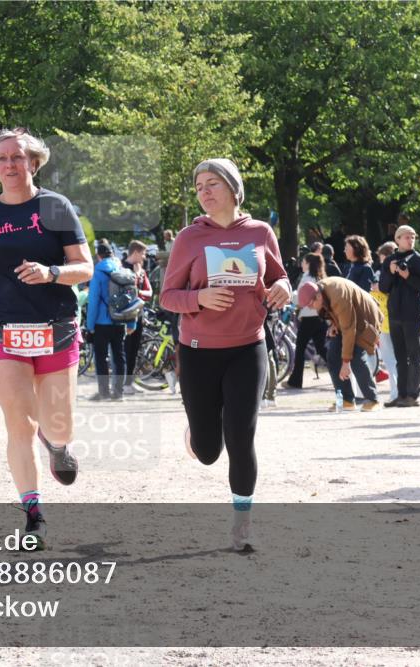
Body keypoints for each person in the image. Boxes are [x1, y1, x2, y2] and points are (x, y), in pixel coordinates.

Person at [0, 128, 93, 548]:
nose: (10, 164)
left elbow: (83, 267)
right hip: (0, 327)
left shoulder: (55, 207)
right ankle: (33, 513)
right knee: (19, 422)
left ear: (34, 162)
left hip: (55, 326)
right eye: (2, 158)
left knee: (57, 423)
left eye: (18, 157)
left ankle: (57, 444)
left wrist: (51, 273)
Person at [160, 158, 291, 552]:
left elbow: (278, 276)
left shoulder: (260, 232)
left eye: (212, 183)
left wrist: (282, 286)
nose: (204, 191)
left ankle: (242, 522)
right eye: (199, 185)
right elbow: (168, 296)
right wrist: (198, 298)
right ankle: (199, 434)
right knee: (208, 451)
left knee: (241, 434)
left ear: (234, 189)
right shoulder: (188, 238)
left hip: (248, 348)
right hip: (199, 352)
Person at [297, 277, 383, 411]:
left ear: (318, 297)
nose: (310, 308)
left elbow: (349, 329)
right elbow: (334, 313)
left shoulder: (338, 295)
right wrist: (333, 323)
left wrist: (345, 362)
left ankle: (373, 399)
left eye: (310, 304)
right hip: (348, 319)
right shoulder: (319, 290)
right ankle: (345, 401)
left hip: (365, 318)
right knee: (332, 355)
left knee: (355, 356)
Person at [379, 225, 420, 407]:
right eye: (407, 237)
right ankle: (401, 394)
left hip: (412, 315)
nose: (411, 240)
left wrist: (408, 276)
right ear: (397, 239)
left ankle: (414, 395)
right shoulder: (390, 261)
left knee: (414, 356)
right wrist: (391, 272)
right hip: (394, 315)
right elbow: (383, 288)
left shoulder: (418, 260)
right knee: (399, 357)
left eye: (413, 237)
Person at [87, 243, 128, 401]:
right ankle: (119, 392)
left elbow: (94, 300)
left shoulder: (97, 272)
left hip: (101, 322)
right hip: (120, 320)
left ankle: (103, 392)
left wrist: (90, 325)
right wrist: (131, 323)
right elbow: (131, 297)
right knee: (119, 356)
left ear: (99, 256)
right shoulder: (122, 270)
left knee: (101, 357)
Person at [282, 253, 328, 390]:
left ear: (308, 263)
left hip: (308, 317)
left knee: (300, 349)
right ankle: (339, 370)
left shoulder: (306, 277)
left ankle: (295, 381)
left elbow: (300, 298)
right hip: (320, 316)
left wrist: (291, 297)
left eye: (303, 262)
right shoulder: (320, 277)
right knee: (321, 348)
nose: (302, 264)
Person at [122, 240, 153, 394]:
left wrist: (139, 292)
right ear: (135, 252)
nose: (145, 257)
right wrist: (136, 276)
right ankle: (120, 383)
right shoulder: (121, 268)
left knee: (134, 350)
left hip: (138, 315)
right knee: (124, 349)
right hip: (123, 317)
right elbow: (125, 292)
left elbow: (149, 293)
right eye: (143, 253)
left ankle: (129, 383)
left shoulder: (142, 271)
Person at [372, 242, 399, 403]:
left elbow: (383, 289)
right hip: (390, 318)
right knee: (395, 358)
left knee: (390, 359)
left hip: (386, 318)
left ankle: (396, 392)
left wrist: (377, 288)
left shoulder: (385, 273)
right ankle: (398, 391)